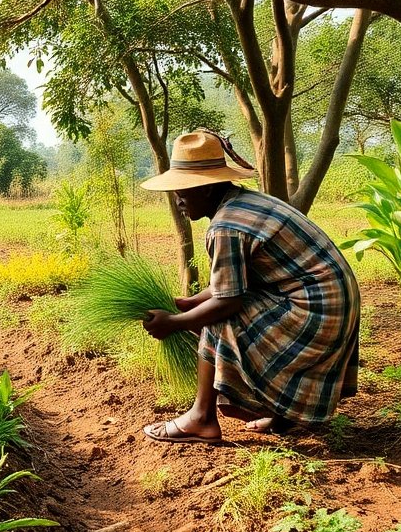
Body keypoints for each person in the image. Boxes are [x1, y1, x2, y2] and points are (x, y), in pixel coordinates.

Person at [137, 130, 360, 443]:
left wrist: (173, 323)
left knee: (218, 318)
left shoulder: (225, 226)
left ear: (209, 186)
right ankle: (281, 415)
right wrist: (190, 303)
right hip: (333, 302)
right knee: (210, 311)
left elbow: (228, 301)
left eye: (184, 189)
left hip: (317, 311)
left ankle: (201, 417)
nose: (178, 199)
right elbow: (236, 282)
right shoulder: (244, 202)